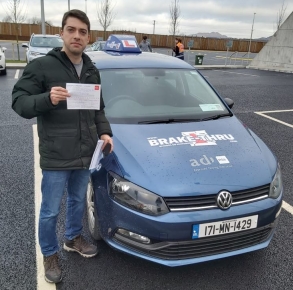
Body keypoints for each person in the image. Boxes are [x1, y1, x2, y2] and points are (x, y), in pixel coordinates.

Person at [11, 9, 113, 284]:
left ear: (88, 37)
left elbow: (98, 109)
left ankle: (72, 238)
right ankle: (49, 253)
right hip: (56, 156)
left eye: (82, 32)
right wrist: (47, 98)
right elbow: (19, 101)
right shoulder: (44, 66)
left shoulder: (91, 69)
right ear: (62, 33)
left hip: (84, 154)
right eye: (71, 30)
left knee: (79, 201)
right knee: (50, 210)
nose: (77, 36)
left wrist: (105, 132)